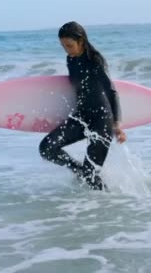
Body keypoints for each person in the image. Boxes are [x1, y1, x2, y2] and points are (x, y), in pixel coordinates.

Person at [39, 21, 127, 190]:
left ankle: (110, 204)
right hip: (81, 117)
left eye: (69, 45)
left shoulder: (95, 61)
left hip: (102, 121)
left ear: (81, 41)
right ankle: (79, 171)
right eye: (63, 46)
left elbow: (111, 92)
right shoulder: (70, 59)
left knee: (91, 176)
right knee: (46, 148)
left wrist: (117, 126)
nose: (67, 50)